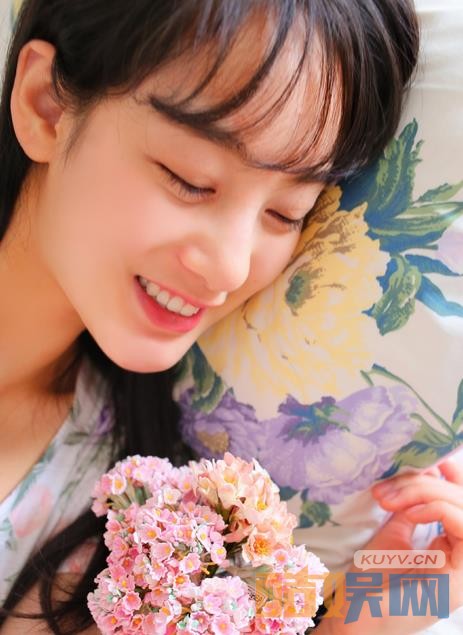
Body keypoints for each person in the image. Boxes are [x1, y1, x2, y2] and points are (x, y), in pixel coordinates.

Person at [0, 0, 419, 632]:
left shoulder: (123, 513)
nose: (229, 268)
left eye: (285, 213)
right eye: (190, 179)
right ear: (46, 105)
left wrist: (376, 613)